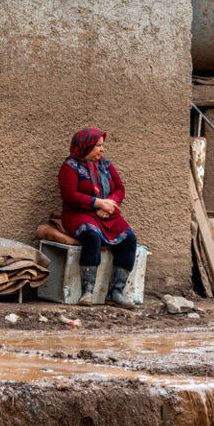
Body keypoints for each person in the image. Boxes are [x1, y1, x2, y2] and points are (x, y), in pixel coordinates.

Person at [58, 128, 137, 308]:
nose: (102, 150)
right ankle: (87, 292)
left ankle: (116, 292)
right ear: (86, 147)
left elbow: (120, 188)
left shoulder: (105, 165)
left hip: (107, 213)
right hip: (79, 213)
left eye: (102, 145)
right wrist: (97, 203)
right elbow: (70, 195)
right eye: (98, 146)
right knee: (91, 237)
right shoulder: (69, 167)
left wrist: (108, 204)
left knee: (129, 239)